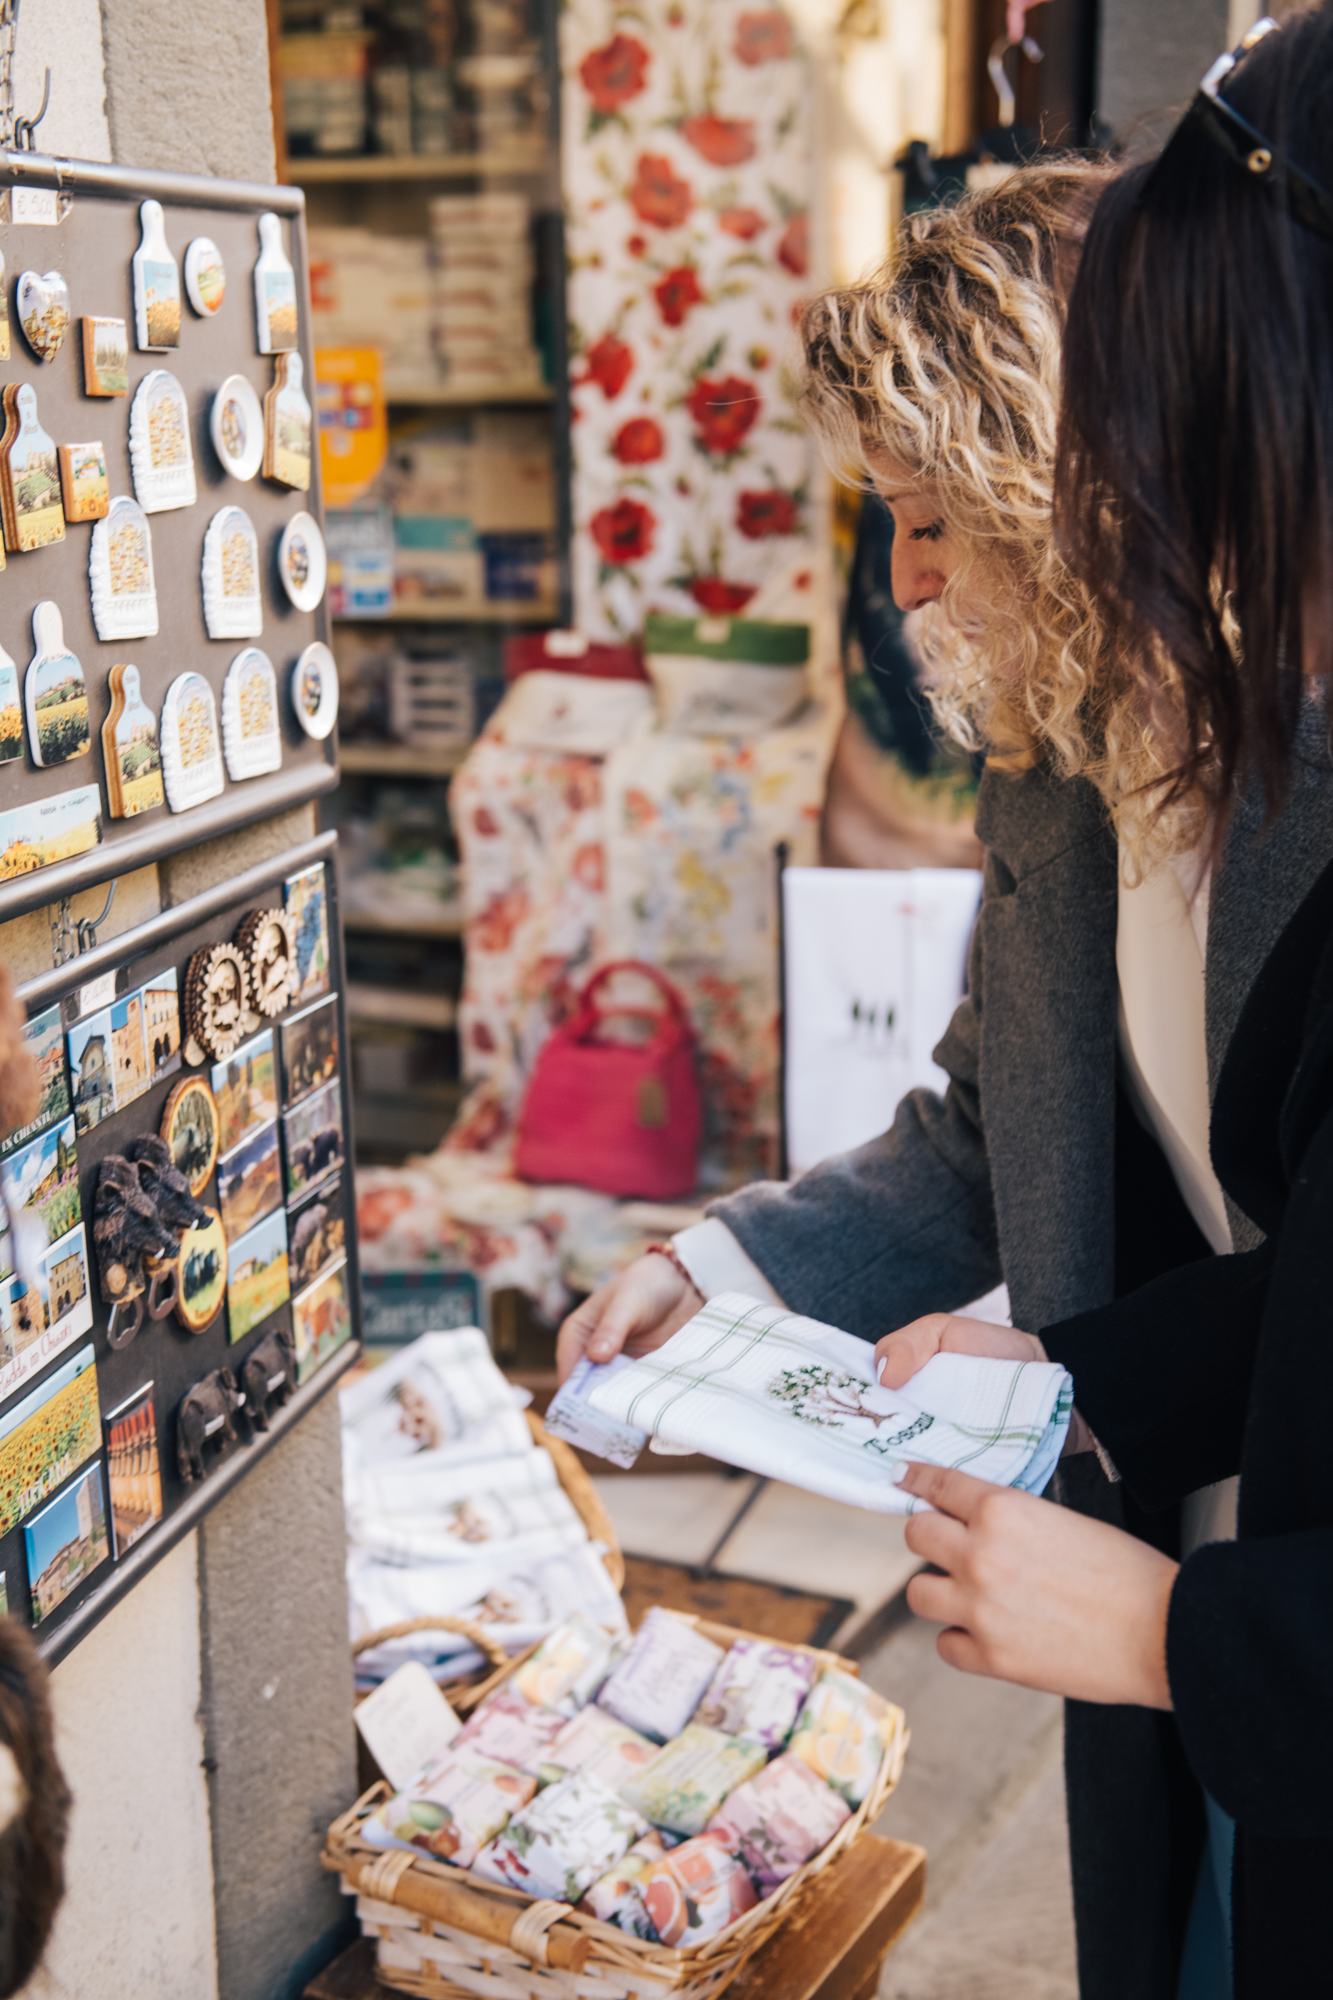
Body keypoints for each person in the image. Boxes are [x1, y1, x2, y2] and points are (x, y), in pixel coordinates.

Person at [556, 141, 1333, 2000]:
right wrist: (716, 1273)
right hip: (1129, 1519)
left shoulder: (1299, 754)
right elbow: (992, 1126)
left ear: (1076, 481)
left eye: (926, 513)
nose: (898, 579)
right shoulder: (1056, 758)